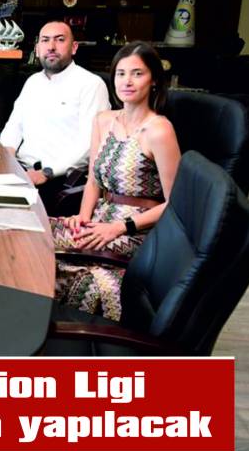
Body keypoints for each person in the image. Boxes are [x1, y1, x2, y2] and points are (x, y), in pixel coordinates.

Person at [50, 42, 181, 321]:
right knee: (31, 232)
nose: (127, 81)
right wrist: (82, 218)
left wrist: (120, 227)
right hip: (99, 218)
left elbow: (176, 204)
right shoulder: (103, 120)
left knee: (55, 260)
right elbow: (93, 182)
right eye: (121, 74)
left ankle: (65, 320)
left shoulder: (159, 130)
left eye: (137, 73)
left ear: (154, 80)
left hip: (134, 230)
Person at [0, 20, 111, 208]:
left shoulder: (91, 84)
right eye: (45, 40)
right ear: (37, 49)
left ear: (74, 47)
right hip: (22, 172)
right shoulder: (33, 82)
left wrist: (46, 172)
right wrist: (6, 158)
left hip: (60, 181)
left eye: (59, 40)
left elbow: (90, 144)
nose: (51, 46)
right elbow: (14, 127)